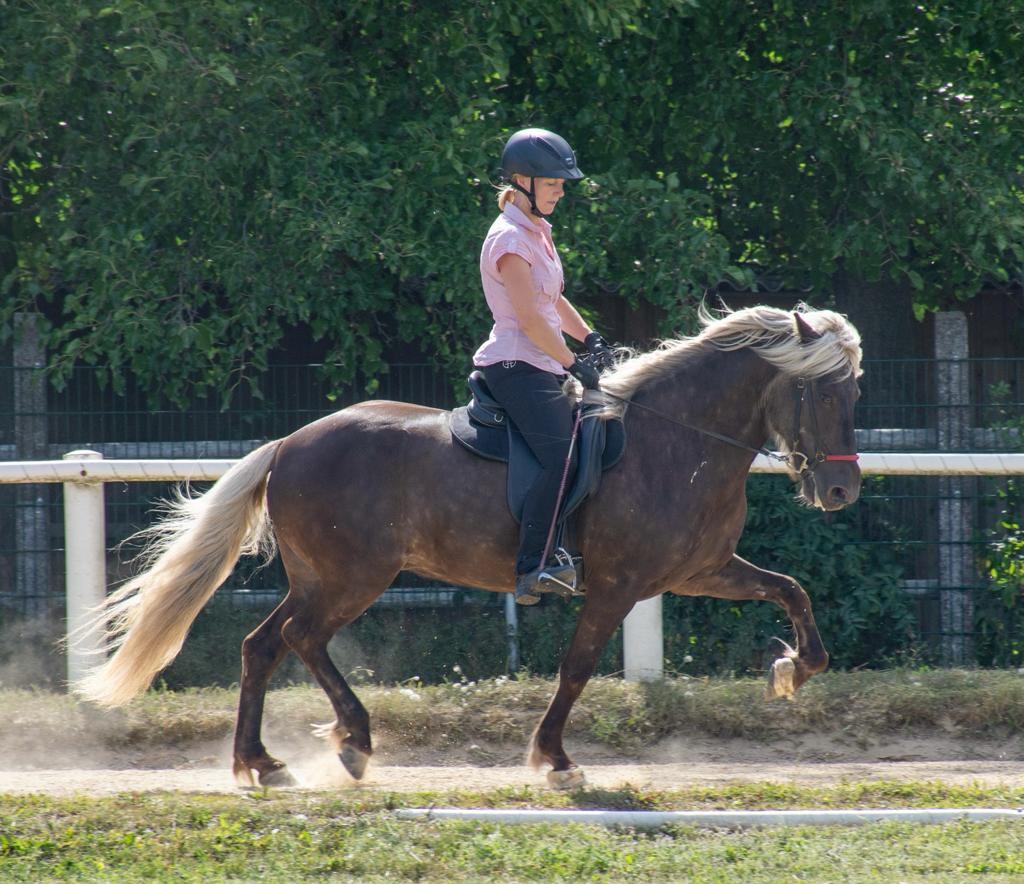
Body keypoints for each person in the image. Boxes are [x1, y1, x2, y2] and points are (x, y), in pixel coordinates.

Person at [472, 127, 615, 605]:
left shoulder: (536, 232)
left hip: (540, 362)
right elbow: (532, 322)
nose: (561, 190)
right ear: (522, 181)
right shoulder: (509, 240)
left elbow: (552, 301)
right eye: (553, 182)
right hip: (516, 364)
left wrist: (589, 335)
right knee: (560, 456)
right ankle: (532, 567)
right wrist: (575, 363)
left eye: (561, 182)